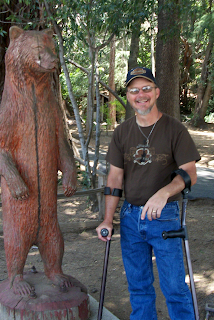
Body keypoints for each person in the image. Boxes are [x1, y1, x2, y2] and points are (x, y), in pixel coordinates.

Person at [96, 67, 201, 320]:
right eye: (134, 90)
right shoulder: (122, 132)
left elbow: (190, 174)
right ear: (129, 96)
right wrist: (108, 220)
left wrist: (163, 193)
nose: (140, 94)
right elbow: (114, 178)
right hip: (131, 219)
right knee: (139, 288)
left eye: (146, 89)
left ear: (156, 92)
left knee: (174, 288)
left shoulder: (175, 129)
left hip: (165, 217)